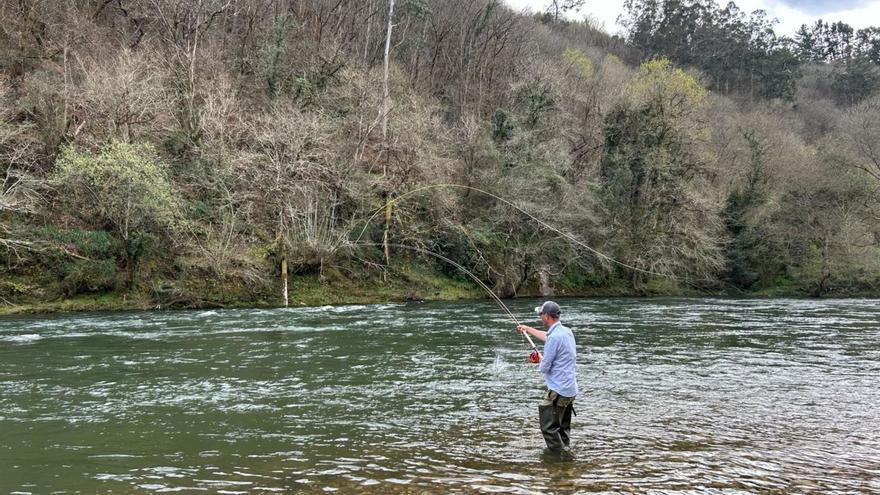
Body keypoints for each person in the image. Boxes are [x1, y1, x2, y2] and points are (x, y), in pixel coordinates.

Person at [517, 301, 578, 457]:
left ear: (547, 316)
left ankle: (560, 459)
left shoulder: (554, 338)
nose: (539, 317)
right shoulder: (566, 331)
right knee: (562, 427)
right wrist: (527, 329)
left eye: (540, 314)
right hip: (570, 389)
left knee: (548, 427)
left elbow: (544, 367)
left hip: (558, 391)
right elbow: (548, 337)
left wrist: (538, 360)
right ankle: (566, 452)